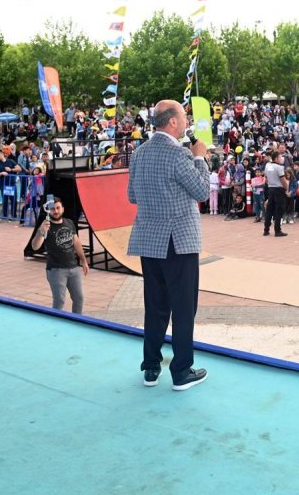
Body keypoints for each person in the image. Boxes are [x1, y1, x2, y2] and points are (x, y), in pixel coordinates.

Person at [127, 100, 210, 391]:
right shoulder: (179, 155)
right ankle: (182, 371)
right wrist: (199, 158)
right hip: (179, 242)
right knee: (183, 308)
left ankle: (151, 367)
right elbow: (201, 191)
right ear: (172, 122)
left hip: (149, 241)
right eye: (184, 116)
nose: (187, 121)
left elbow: (132, 196)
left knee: (155, 306)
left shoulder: (139, 154)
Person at [31, 198, 89, 313]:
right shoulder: (46, 227)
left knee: (79, 299)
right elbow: (35, 246)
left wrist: (83, 260)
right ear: (49, 210)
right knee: (59, 301)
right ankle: (56, 325)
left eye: (58, 208)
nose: (56, 211)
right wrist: (41, 231)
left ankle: (77, 323)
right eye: (53, 209)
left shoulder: (69, 223)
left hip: (73, 267)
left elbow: (76, 242)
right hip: (56, 270)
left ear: (63, 209)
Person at [262, 151, 288, 237]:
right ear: (276, 158)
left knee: (269, 209)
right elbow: (283, 180)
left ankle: (266, 230)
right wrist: (286, 188)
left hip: (270, 189)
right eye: (280, 157)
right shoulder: (279, 167)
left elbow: (266, 179)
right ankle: (277, 230)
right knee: (279, 210)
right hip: (279, 190)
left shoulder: (267, 165)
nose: (281, 159)